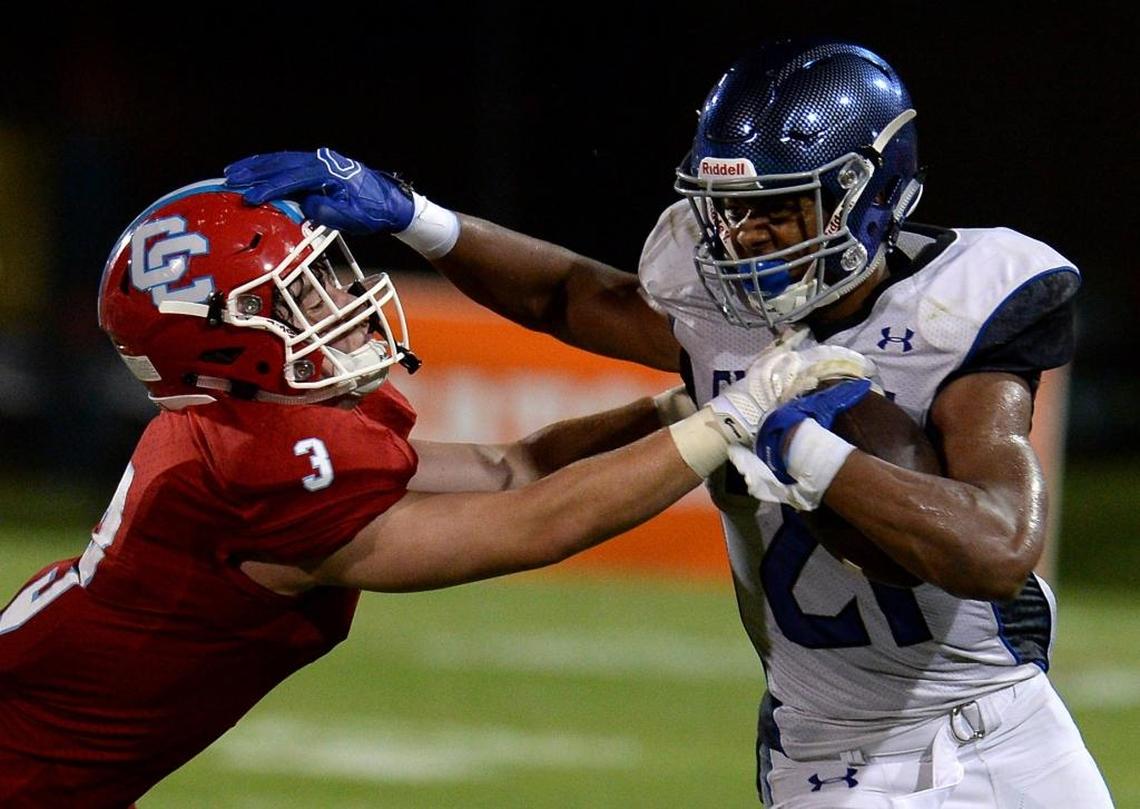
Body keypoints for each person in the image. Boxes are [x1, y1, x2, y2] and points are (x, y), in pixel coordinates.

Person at [223, 39, 1115, 808]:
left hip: (1003, 729)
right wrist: (417, 218)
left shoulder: (963, 306)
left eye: (779, 209)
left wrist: (798, 444)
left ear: (868, 197)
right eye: (731, 211)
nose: (746, 239)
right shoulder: (720, 315)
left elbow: (997, 549)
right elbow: (566, 296)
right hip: (827, 754)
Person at [0, 178, 874, 807]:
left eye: (323, 274)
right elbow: (532, 525)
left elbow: (512, 468)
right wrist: (731, 420)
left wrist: (668, 410)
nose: (338, 297)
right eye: (297, 294)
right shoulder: (258, 466)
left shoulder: (253, 426)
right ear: (219, 343)